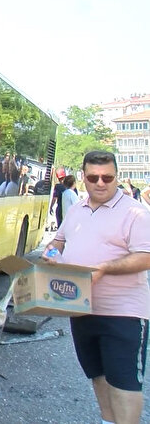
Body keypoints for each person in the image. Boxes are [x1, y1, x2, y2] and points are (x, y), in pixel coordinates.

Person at [42, 151, 150, 424]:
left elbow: (146, 256)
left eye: (107, 177)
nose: (100, 183)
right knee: (98, 375)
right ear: (83, 177)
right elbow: (59, 241)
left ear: (116, 177)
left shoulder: (135, 212)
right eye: (93, 177)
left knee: (123, 381)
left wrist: (104, 269)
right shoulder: (77, 208)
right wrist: (51, 252)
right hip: (81, 309)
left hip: (123, 313)